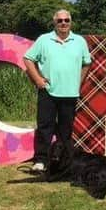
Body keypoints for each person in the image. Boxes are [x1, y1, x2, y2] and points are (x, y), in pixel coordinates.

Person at [23, 9, 92, 172]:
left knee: (65, 130)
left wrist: (78, 82)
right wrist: (38, 79)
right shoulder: (44, 40)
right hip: (48, 92)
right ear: (54, 22)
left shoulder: (79, 41)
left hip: (70, 92)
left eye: (66, 20)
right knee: (45, 127)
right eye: (60, 20)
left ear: (71, 22)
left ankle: (64, 161)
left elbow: (87, 63)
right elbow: (28, 59)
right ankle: (41, 160)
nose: (63, 23)